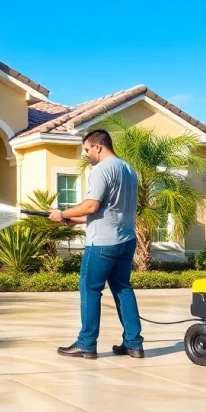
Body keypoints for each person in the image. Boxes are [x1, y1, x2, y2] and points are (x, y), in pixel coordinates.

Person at [48, 129, 144, 360]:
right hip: (126, 240)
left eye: (87, 149)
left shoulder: (101, 170)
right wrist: (71, 219)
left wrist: (62, 213)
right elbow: (107, 211)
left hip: (102, 244)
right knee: (123, 289)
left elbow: (91, 206)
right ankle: (133, 344)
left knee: (90, 290)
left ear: (98, 146)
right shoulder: (129, 170)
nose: (87, 155)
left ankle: (86, 344)